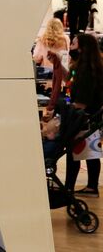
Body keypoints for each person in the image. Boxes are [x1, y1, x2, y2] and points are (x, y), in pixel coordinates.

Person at [49, 33, 103, 197]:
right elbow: (70, 82)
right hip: (88, 118)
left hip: (84, 118)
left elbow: (82, 102)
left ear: (82, 48)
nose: (70, 47)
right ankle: (89, 187)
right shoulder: (84, 68)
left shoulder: (86, 72)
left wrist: (65, 110)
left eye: (73, 44)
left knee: (80, 153)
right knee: (88, 153)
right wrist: (57, 64)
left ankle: (73, 187)